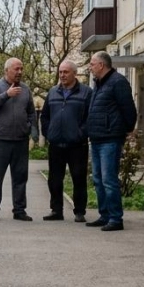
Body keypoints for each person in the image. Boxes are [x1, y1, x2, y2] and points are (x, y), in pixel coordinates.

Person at [85, 51, 137, 232]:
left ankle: (116, 218)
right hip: (97, 138)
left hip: (111, 138)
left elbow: (128, 109)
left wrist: (128, 129)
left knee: (108, 179)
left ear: (101, 65)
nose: (90, 67)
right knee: (98, 179)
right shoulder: (99, 84)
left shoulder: (118, 82)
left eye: (92, 64)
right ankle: (105, 215)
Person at [39, 60, 93, 222]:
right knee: (54, 179)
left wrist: (80, 134)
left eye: (66, 72)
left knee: (78, 177)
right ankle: (56, 210)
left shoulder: (86, 93)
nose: (62, 75)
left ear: (74, 73)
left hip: (77, 145)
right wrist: (49, 133)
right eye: (60, 72)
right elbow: (45, 116)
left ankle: (79, 211)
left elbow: (89, 118)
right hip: (56, 144)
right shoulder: (53, 92)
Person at [0, 58, 36, 221]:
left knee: (20, 177)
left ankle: (19, 210)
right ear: (6, 70)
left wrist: (32, 128)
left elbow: (31, 112)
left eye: (21, 69)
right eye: (16, 69)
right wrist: (7, 95)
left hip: (20, 140)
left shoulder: (26, 89)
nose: (20, 72)